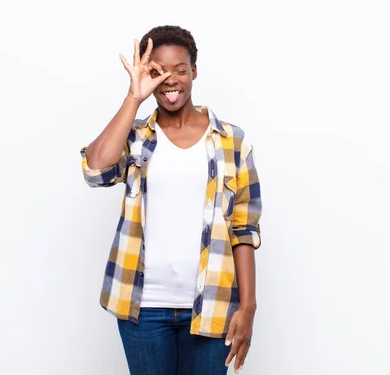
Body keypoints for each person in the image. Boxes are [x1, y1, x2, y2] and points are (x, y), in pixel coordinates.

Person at [80, 25, 262, 375]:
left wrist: (248, 306)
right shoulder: (135, 137)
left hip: (212, 304)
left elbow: (244, 226)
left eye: (180, 69)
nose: (171, 80)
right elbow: (95, 169)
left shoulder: (231, 142)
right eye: (158, 71)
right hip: (143, 307)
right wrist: (134, 97)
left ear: (194, 70)